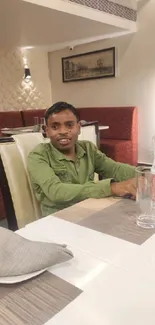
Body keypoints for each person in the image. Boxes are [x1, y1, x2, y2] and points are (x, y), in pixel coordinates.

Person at [28, 101, 136, 217]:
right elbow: (56, 191)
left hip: (90, 210)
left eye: (69, 125)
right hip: (58, 219)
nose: (63, 132)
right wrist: (112, 187)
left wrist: (145, 175)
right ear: (47, 130)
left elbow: (114, 168)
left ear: (79, 128)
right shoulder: (38, 155)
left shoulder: (88, 148)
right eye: (55, 127)